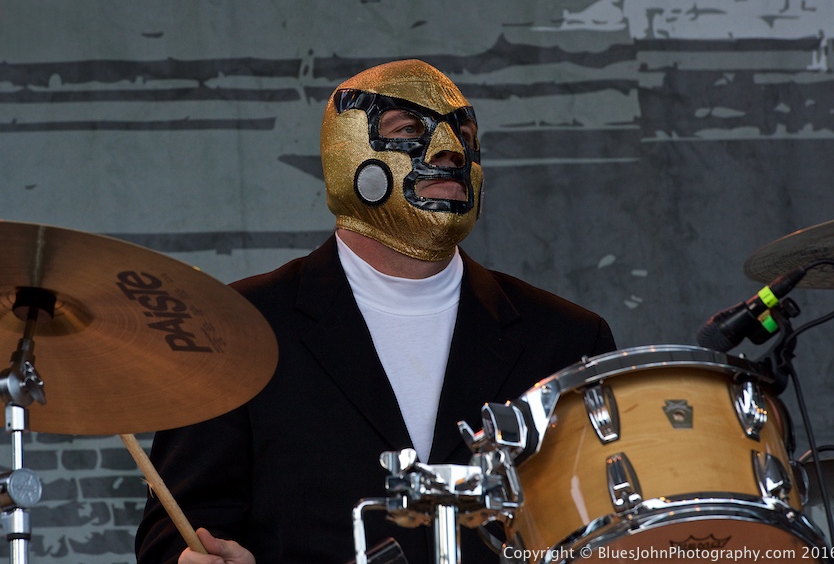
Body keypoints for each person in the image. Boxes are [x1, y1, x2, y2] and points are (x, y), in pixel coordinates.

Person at [135, 59, 616, 564]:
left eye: (464, 132)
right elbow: (178, 530)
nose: (449, 150)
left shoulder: (569, 340)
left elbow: (610, 526)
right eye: (409, 130)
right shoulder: (235, 327)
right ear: (347, 155)